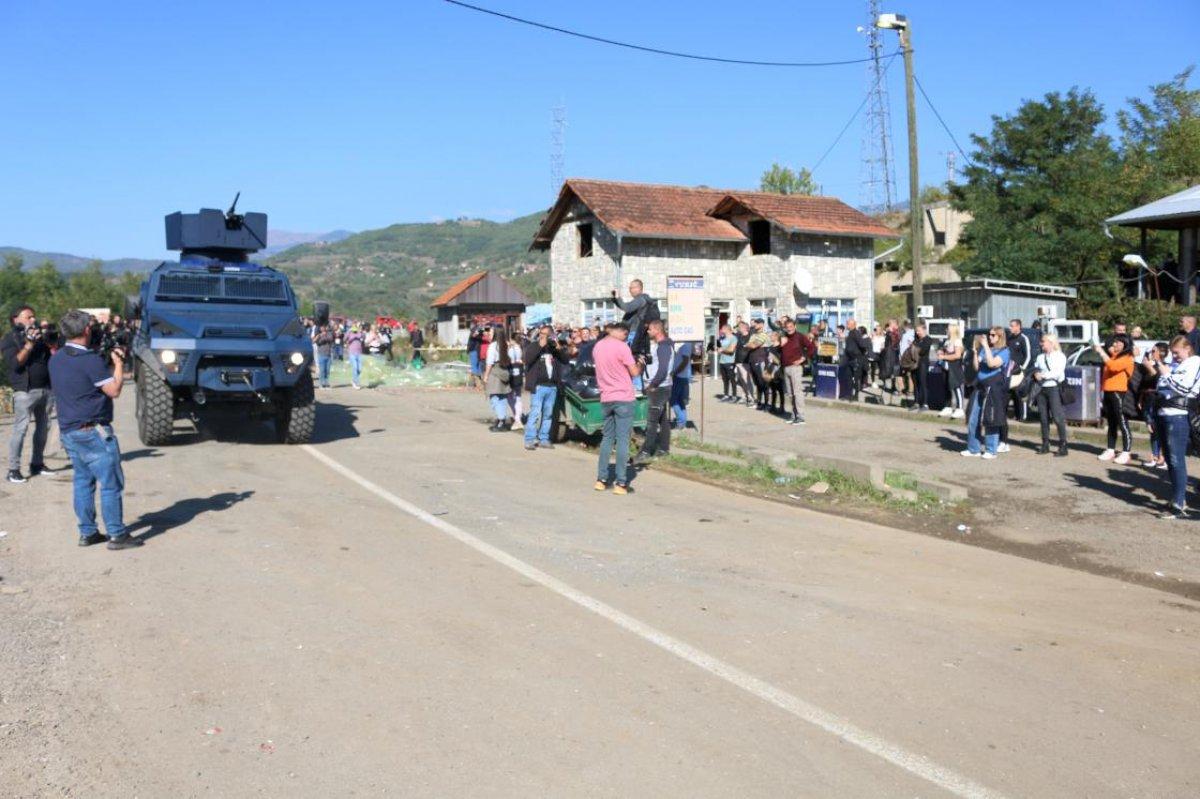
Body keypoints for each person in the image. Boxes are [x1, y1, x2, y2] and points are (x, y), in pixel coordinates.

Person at [47, 310, 141, 549]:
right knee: (110, 483)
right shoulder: (89, 360)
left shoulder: (56, 358)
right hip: (93, 430)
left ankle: (87, 532)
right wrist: (118, 364)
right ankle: (117, 534)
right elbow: (114, 390)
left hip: (69, 430)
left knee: (82, 481)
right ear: (87, 330)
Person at [3, 305, 62, 483]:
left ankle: (37, 463)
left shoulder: (39, 336)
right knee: (20, 430)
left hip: (46, 389)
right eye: (28, 317)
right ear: (16, 319)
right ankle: (13, 469)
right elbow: (15, 364)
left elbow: (52, 357)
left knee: (43, 428)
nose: (32, 320)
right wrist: (29, 344)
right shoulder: (9, 338)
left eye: (33, 317)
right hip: (25, 390)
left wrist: (50, 343)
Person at [1146, 336, 1200, 518]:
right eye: (1172, 352)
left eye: (1177, 352)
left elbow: (1183, 389)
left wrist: (1164, 370)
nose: (1174, 356)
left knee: (1176, 460)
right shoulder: (1176, 365)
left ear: (1188, 349)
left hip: (1178, 415)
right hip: (1164, 413)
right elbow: (1161, 387)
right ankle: (1178, 498)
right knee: (1170, 459)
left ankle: (1178, 503)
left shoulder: (1194, 363)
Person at [592, 322, 642, 494]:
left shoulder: (598, 346)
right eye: (625, 334)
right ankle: (621, 482)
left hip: (606, 397)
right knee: (622, 440)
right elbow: (634, 372)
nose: (626, 338)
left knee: (607, 438)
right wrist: (640, 363)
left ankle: (601, 479)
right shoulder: (622, 347)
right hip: (623, 397)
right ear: (620, 332)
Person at [962, 327, 1011, 459]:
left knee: (990, 418)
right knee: (973, 417)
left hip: (993, 387)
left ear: (1000, 337)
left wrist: (986, 348)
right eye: (989, 334)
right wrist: (975, 352)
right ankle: (973, 449)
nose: (990, 337)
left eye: (993, 335)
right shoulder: (985, 348)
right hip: (980, 386)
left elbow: (992, 363)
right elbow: (977, 367)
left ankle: (991, 450)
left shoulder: (1004, 351)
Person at [633, 320, 674, 465]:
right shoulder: (662, 345)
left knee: (652, 422)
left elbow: (663, 370)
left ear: (657, 330)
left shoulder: (663, 347)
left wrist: (652, 384)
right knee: (662, 420)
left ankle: (645, 451)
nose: (648, 332)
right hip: (661, 386)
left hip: (659, 388)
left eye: (650, 329)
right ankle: (663, 448)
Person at [522, 325, 568, 450]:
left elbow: (565, 360)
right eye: (541, 333)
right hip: (538, 386)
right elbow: (527, 359)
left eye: (546, 334)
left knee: (548, 414)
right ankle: (529, 439)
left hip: (552, 387)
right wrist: (539, 346)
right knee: (535, 413)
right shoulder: (534, 346)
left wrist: (559, 349)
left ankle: (544, 438)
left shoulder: (553, 349)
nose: (542, 335)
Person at [1093, 337, 1135, 464]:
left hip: (1119, 392)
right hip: (1108, 391)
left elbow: (1113, 367)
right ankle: (1110, 449)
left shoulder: (1127, 357)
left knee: (1122, 422)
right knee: (1111, 423)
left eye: (1118, 342)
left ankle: (1126, 452)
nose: (1114, 344)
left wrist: (1102, 352)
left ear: (1125, 345)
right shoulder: (1114, 356)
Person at [1030, 333, 1069, 456]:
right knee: (1043, 418)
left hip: (1054, 388)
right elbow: (1035, 368)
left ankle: (1063, 445)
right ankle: (1045, 444)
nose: (1041, 343)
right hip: (1041, 388)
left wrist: (1043, 375)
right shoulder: (1040, 357)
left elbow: (1058, 373)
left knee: (1058, 418)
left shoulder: (1060, 356)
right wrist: (1035, 373)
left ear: (1051, 342)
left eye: (1043, 341)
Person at [1138, 343, 1169, 470]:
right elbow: (1144, 383)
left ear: (1162, 352)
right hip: (1147, 399)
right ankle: (1155, 456)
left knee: (1158, 429)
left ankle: (1163, 457)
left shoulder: (1165, 366)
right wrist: (1140, 399)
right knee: (1152, 430)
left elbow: (1157, 379)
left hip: (1156, 400)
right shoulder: (1149, 365)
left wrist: (1149, 367)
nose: (1151, 352)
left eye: (1154, 350)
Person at [612, 279, 657, 357]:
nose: (630, 290)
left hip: (634, 331)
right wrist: (615, 300)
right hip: (641, 333)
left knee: (629, 355)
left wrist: (618, 297)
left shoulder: (640, 300)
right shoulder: (646, 300)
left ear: (639, 288)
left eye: (632, 288)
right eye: (630, 288)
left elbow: (627, 308)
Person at [780, 317, 812, 425]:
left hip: (795, 368)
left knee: (797, 392)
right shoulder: (783, 337)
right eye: (787, 327)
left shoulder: (800, 337)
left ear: (794, 326)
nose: (789, 329)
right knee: (790, 394)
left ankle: (801, 416)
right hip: (786, 367)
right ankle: (793, 415)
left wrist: (802, 359)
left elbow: (812, 347)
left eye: (790, 327)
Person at [483, 327, 513, 432]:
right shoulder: (506, 344)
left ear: (495, 334)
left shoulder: (492, 346)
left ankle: (501, 420)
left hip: (495, 372)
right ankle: (502, 420)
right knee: (502, 397)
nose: (488, 334)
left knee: (494, 397)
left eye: (490, 332)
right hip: (504, 371)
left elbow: (489, 363)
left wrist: (486, 376)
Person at [938, 323, 966, 419]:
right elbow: (943, 351)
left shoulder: (957, 341)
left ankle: (960, 408)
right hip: (945, 367)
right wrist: (940, 352)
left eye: (948, 329)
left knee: (956, 386)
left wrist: (944, 356)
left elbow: (957, 355)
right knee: (947, 387)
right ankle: (948, 406)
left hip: (954, 368)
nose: (946, 330)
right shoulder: (947, 341)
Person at [1007, 319, 1033, 423]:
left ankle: (1024, 416)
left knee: (1020, 393)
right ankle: (1016, 414)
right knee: (1011, 393)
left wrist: (1022, 368)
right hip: (1009, 371)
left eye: (1012, 326)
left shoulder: (1023, 339)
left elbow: (1028, 356)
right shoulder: (1009, 338)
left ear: (1018, 327)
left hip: (1019, 371)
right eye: (1010, 326)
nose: (1010, 328)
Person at [746, 318, 771, 409]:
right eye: (754, 323)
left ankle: (767, 403)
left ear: (761, 324)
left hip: (760, 360)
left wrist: (750, 344)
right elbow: (748, 344)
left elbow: (753, 345)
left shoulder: (764, 335)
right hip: (752, 359)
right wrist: (750, 344)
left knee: (763, 382)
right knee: (757, 382)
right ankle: (759, 402)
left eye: (756, 323)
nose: (754, 324)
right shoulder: (753, 335)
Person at [841, 319, 868, 401]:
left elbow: (862, 344)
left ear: (853, 324)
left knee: (856, 378)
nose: (846, 325)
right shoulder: (850, 333)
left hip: (856, 358)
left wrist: (861, 353)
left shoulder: (856, 333)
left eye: (848, 324)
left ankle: (855, 396)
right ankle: (848, 394)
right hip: (849, 358)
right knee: (848, 376)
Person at [669, 340, 693, 430]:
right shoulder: (683, 343)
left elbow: (685, 361)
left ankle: (681, 421)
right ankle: (682, 422)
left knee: (673, 400)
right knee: (680, 400)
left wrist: (675, 372)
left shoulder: (686, 344)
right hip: (681, 375)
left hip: (680, 376)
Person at [909, 323, 933, 412]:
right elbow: (912, 349)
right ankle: (916, 402)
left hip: (923, 364)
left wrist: (914, 348)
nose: (917, 332)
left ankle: (925, 403)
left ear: (924, 330)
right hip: (914, 364)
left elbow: (922, 351)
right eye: (916, 331)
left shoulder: (928, 339)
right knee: (915, 383)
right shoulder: (916, 340)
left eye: (919, 330)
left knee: (923, 383)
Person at [506, 331, 525, 430]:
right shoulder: (519, 348)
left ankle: (517, 417)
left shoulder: (514, 348)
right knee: (517, 396)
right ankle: (517, 416)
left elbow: (512, 360)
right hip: (518, 373)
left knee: (511, 396)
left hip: (513, 373)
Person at [716, 324, 738, 401]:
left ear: (726, 329)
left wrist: (722, 350)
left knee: (732, 379)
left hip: (730, 361)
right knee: (725, 379)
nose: (721, 330)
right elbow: (721, 348)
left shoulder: (733, 338)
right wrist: (718, 349)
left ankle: (734, 395)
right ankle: (726, 394)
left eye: (722, 328)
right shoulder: (723, 338)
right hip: (722, 361)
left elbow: (731, 350)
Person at [345, 325, 365, 389]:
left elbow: (364, 337)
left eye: (355, 328)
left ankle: (353, 380)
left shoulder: (359, 333)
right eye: (354, 328)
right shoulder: (350, 333)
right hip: (352, 353)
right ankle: (356, 383)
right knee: (355, 368)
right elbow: (344, 339)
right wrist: (349, 331)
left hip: (359, 353)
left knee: (360, 369)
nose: (355, 330)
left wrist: (361, 331)